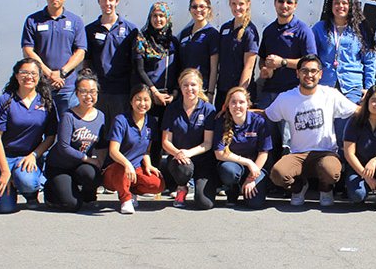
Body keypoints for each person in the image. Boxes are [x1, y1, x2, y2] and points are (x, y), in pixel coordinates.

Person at [265, 54, 358, 206]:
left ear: (320, 74)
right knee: (278, 174)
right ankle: (298, 187)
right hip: (298, 154)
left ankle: (325, 189)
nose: (309, 75)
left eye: (313, 71)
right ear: (297, 73)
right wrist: (242, 112)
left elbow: (356, 111)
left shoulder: (330, 94)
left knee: (331, 172)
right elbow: (266, 114)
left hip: (325, 152)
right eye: (304, 71)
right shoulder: (286, 98)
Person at [0, 58, 56, 213]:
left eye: (33, 73)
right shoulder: (6, 101)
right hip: (3, 156)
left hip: (28, 157)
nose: (29, 77)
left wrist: (34, 155)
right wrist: (5, 170)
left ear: (39, 76)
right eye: (24, 72)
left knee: (28, 181)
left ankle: (30, 194)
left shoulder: (46, 102)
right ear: (16, 75)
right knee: (4, 208)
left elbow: (50, 136)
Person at [257, 0, 317, 163]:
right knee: (267, 139)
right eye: (281, 1)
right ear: (275, 4)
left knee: (288, 142)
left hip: (293, 93)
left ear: (295, 6)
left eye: (289, 2)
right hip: (270, 93)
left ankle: (287, 182)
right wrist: (265, 69)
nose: (284, 5)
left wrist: (283, 62)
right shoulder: (268, 31)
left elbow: (310, 63)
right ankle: (268, 180)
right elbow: (262, 59)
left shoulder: (303, 30)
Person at [21, 0, 87, 118]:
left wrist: (61, 73)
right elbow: (28, 50)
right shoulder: (33, 20)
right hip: (40, 86)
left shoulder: (75, 21)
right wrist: (49, 74)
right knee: (40, 127)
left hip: (67, 87)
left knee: (68, 127)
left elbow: (80, 52)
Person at [43, 69, 107, 212]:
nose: (88, 96)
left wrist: (99, 163)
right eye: (84, 91)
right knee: (72, 205)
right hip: (60, 166)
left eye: (92, 91)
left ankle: (84, 193)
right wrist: (89, 159)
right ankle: (51, 190)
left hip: (80, 166)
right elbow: (63, 147)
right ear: (77, 93)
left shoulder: (100, 116)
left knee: (92, 175)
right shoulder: (69, 116)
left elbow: (102, 144)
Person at [103, 84, 166, 214]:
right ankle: (125, 199)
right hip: (116, 168)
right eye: (138, 99)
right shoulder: (121, 120)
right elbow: (113, 151)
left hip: (136, 168)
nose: (142, 103)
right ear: (131, 101)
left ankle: (132, 191)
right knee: (122, 168)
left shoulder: (151, 122)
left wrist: (148, 165)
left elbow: (146, 151)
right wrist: (127, 164)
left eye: (146, 99)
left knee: (157, 184)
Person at [133, 1, 180, 176]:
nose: (158, 19)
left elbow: (179, 69)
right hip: (148, 96)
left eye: (161, 16)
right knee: (148, 136)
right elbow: (139, 69)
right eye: (154, 16)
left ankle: (160, 176)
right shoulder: (142, 39)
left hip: (169, 98)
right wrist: (154, 92)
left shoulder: (173, 41)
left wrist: (174, 93)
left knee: (164, 137)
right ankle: (144, 173)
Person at [162, 68, 218, 209]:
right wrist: (178, 154)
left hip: (202, 160)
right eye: (185, 85)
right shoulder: (172, 109)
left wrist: (188, 153)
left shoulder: (208, 109)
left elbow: (207, 143)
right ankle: (181, 188)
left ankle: (201, 187)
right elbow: (166, 141)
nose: (189, 89)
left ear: (200, 86)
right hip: (179, 161)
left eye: (193, 85)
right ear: (180, 87)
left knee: (205, 203)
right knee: (185, 169)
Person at [84, 0, 139, 129]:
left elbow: (136, 62)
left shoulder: (130, 29)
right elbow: (86, 60)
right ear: (99, 1)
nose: (107, 3)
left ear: (117, 1)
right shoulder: (90, 30)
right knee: (98, 132)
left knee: (119, 130)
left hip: (122, 90)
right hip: (98, 90)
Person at [313, 0, 376, 104]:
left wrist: (369, 88)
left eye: (344, 3)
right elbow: (311, 56)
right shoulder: (319, 28)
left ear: (351, 6)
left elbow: (370, 61)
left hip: (352, 87)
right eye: (336, 3)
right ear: (331, 6)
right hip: (325, 85)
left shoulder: (362, 29)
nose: (340, 6)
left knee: (349, 121)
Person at [214, 87, 272, 209]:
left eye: (241, 102)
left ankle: (247, 188)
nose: (237, 106)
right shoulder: (221, 121)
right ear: (227, 105)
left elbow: (263, 153)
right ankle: (232, 190)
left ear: (248, 105)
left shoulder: (259, 121)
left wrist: (251, 178)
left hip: (256, 167)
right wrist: (247, 162)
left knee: (255, 203)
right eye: (233, 102)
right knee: (228, 172)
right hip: (234, 166)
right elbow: (219, 153)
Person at [215, 0, 259, 110]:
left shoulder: (250, 31)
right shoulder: (225, 28)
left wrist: (239, 95)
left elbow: (249, 67)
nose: (237, 7)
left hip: (240, 92)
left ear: (248, 5)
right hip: (223, 90)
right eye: (234, 4)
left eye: (241, 4)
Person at [179, 0, 220, 103]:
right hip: (184, 89)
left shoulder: (212, 34)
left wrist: (210, 93)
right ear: (190, 9)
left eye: (202, 6)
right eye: (194, 7)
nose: (198, 10)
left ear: (209, 9)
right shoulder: (184, 33)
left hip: (201, 90)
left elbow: (214, 67)